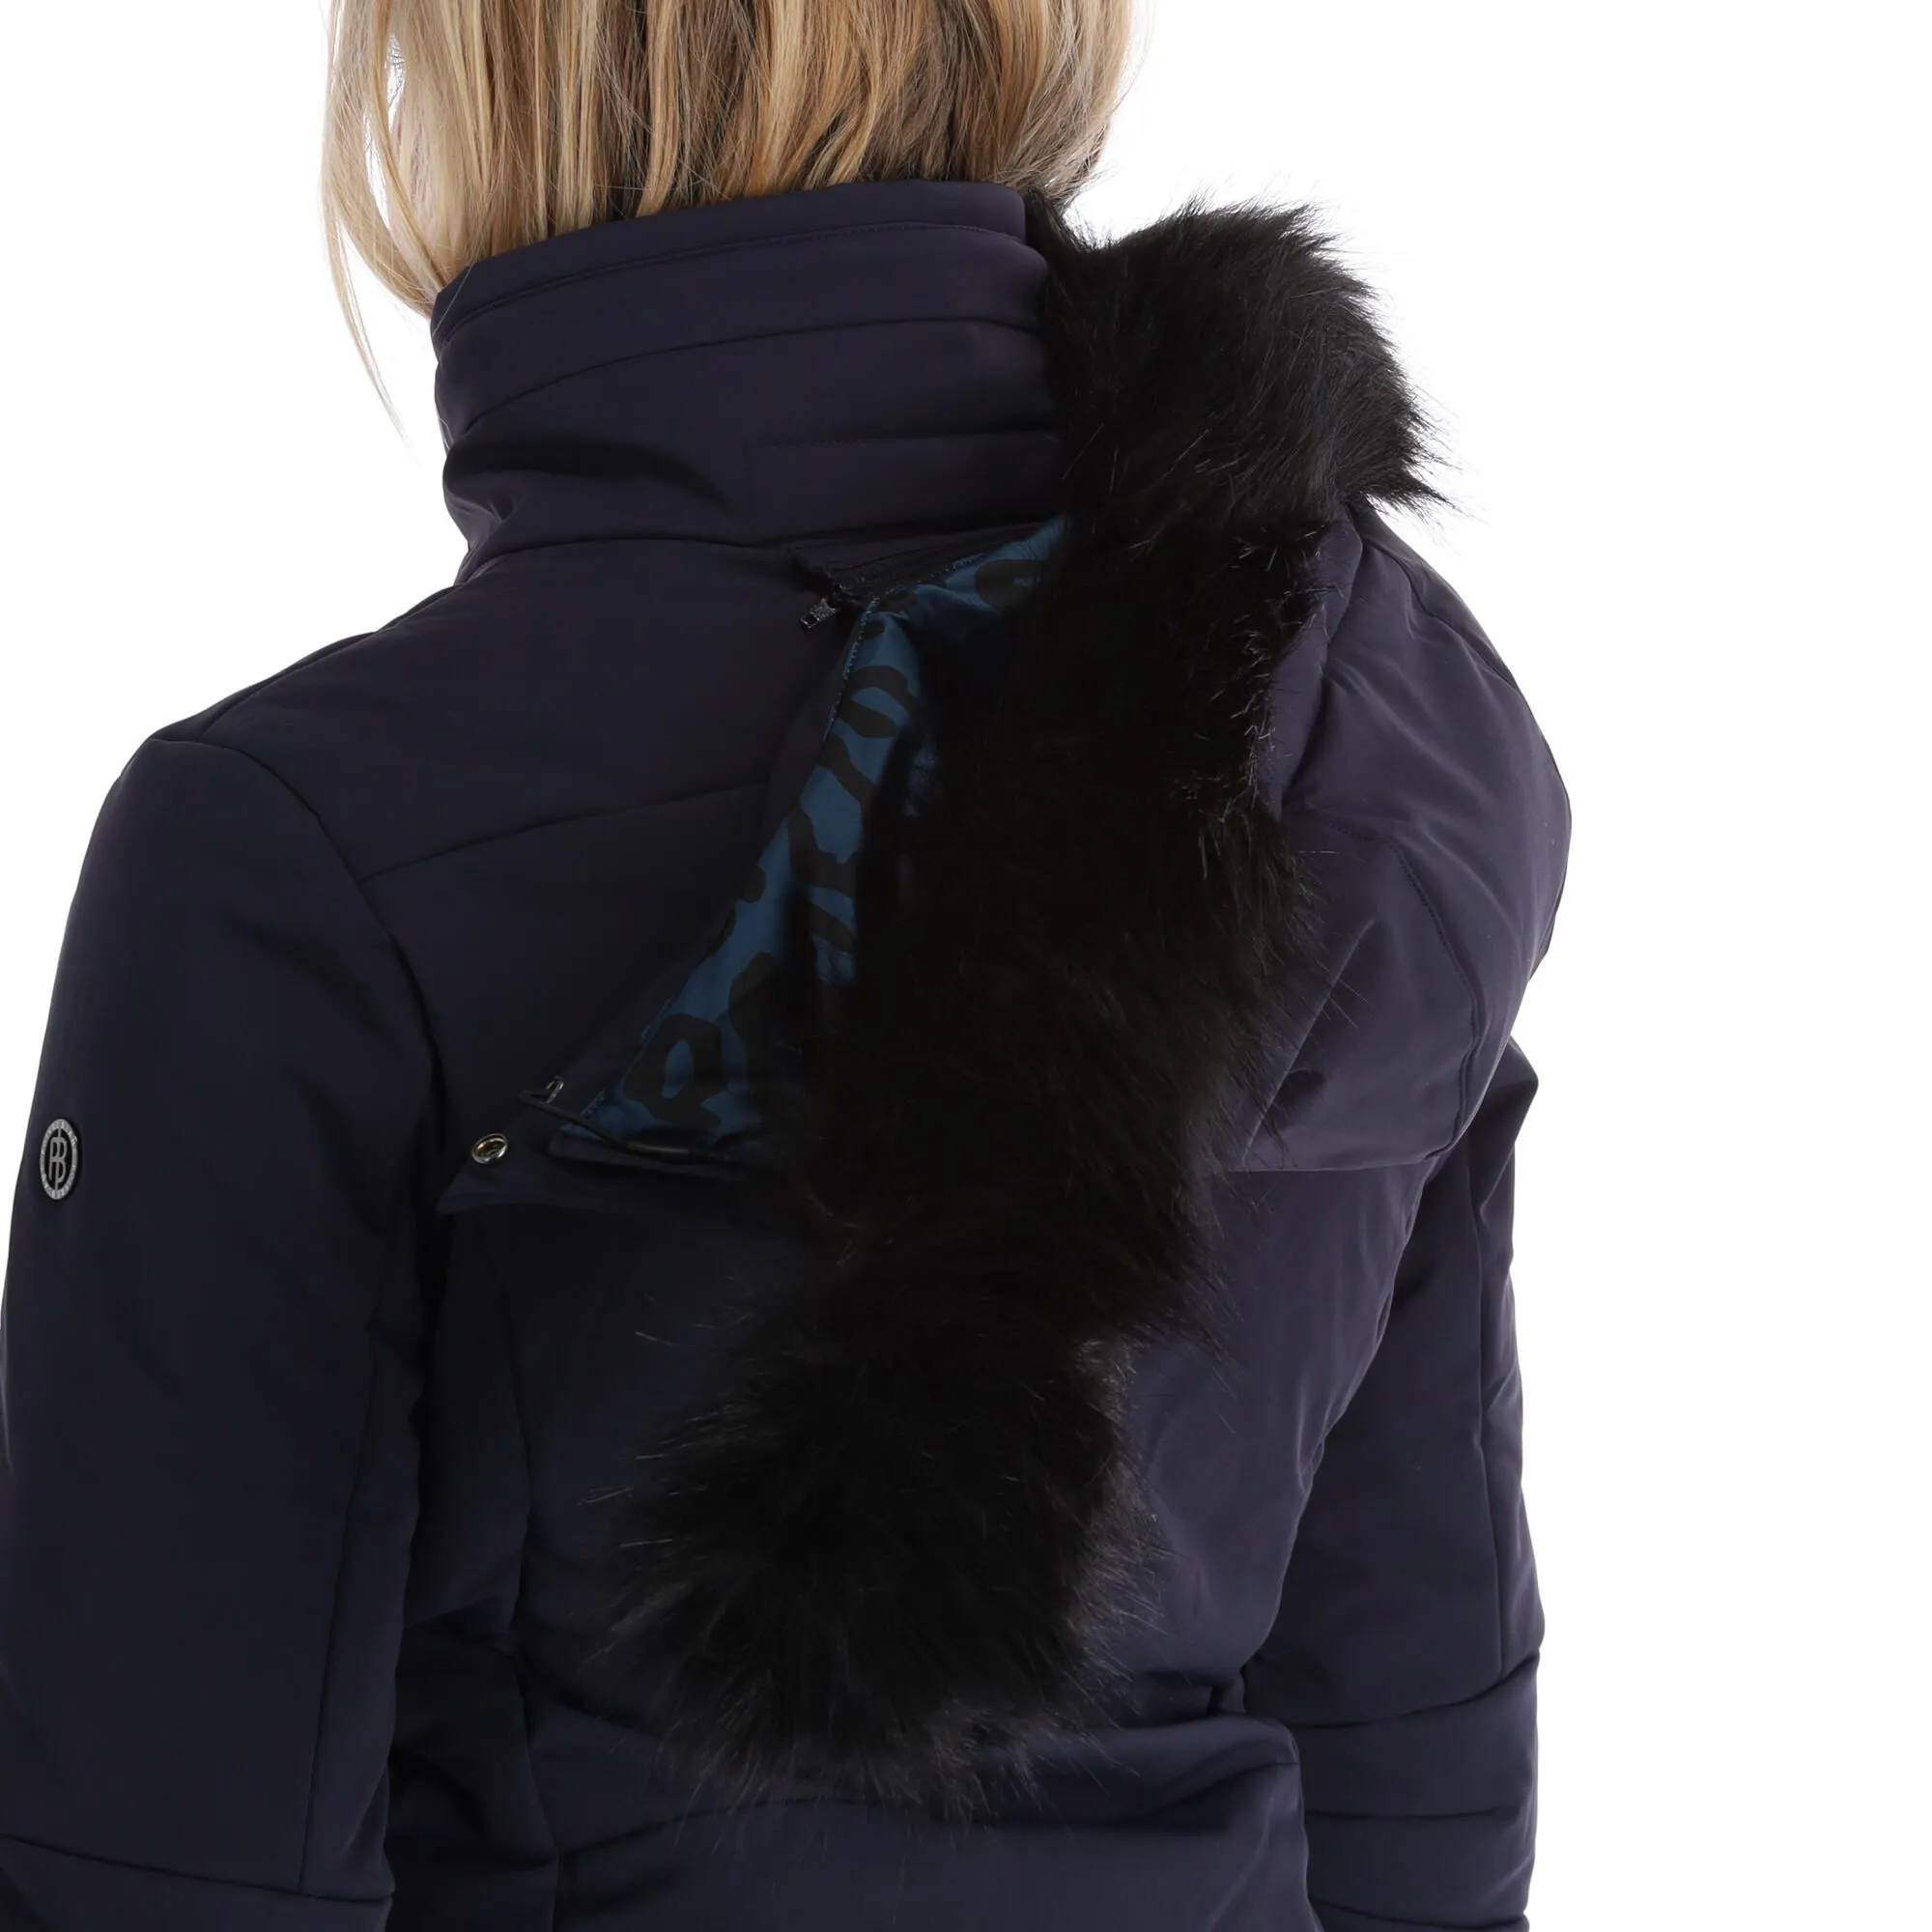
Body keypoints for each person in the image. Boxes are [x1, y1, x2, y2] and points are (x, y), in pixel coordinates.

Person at [0, 2, 1570, 1926]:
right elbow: (1415, 1765)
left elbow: (160, 1863)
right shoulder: (1368, 728)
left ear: (470, 65)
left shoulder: (287, 850)